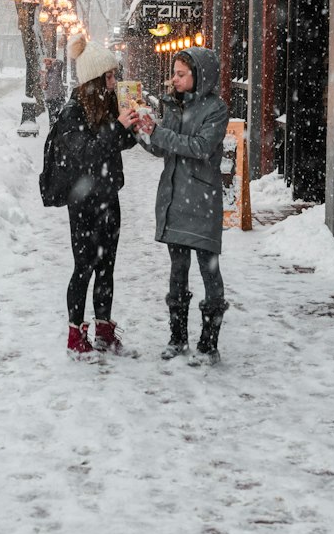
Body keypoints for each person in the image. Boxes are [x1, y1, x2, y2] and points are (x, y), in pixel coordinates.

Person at [40, 36, 138, 356]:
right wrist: (116, 129)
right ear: (94, 79)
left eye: (114, 74)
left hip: (108, 196)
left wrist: (133, 126)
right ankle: (75, 334)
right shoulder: (72, 114)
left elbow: (116, 146)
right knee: (84, 266)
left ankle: (104, 329)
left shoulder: (106, 106)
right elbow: (86, 156)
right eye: (109, 76)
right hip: (83, 202)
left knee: (106, 266)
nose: (114, 81)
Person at [139, 46, 230, 364]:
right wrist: (143, 131)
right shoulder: (173, 106)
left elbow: (202, 147)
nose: (174, 79)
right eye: (174, 73)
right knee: (178, 273)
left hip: (202, 201)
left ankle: (209, 344)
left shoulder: (217, 109)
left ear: (199, 76)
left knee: (209, 272)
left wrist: (159, 132)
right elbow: (164, 150)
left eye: (180, 74)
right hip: (174, 198)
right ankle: (177, 338)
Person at [42, 55, 65, 127]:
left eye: (48, 63)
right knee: (51, 118)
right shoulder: (44, 73)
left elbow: (61, 63)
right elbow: (43, 87)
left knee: (60, 116)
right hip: (49, 99)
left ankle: (60, 132)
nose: (47, 64)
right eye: (45, 63)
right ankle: (52, 132)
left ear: (51, 63)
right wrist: (43, 84)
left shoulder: (56, 70)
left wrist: (52, 59)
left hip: (59, 97)